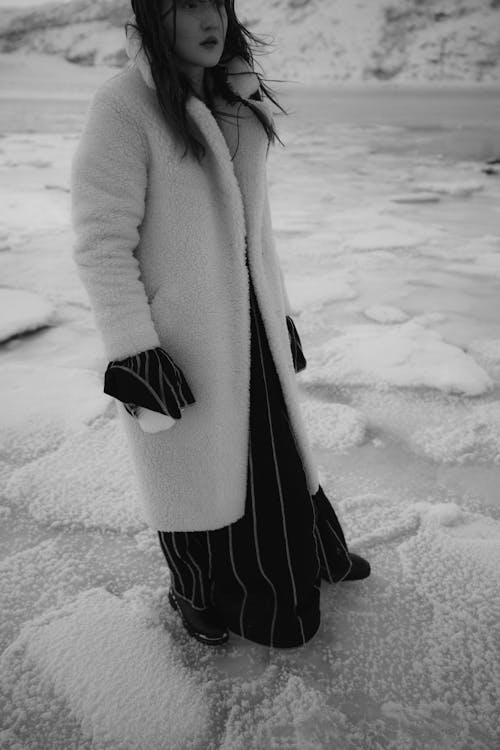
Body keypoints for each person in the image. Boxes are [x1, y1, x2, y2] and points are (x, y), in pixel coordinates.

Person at [70, 0, 370, 649]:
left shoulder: (236, 96)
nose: (210, 21)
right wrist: (133, 350)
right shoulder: (124, 106)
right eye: (186, 6)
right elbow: (101, 242)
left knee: (272, 453)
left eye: (217, 2)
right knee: (198, 472)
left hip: (250, 319)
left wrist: (279, 314)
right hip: (184, 338)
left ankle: (309, 553)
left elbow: (255, 228)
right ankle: (197, 591)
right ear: (154, 17)